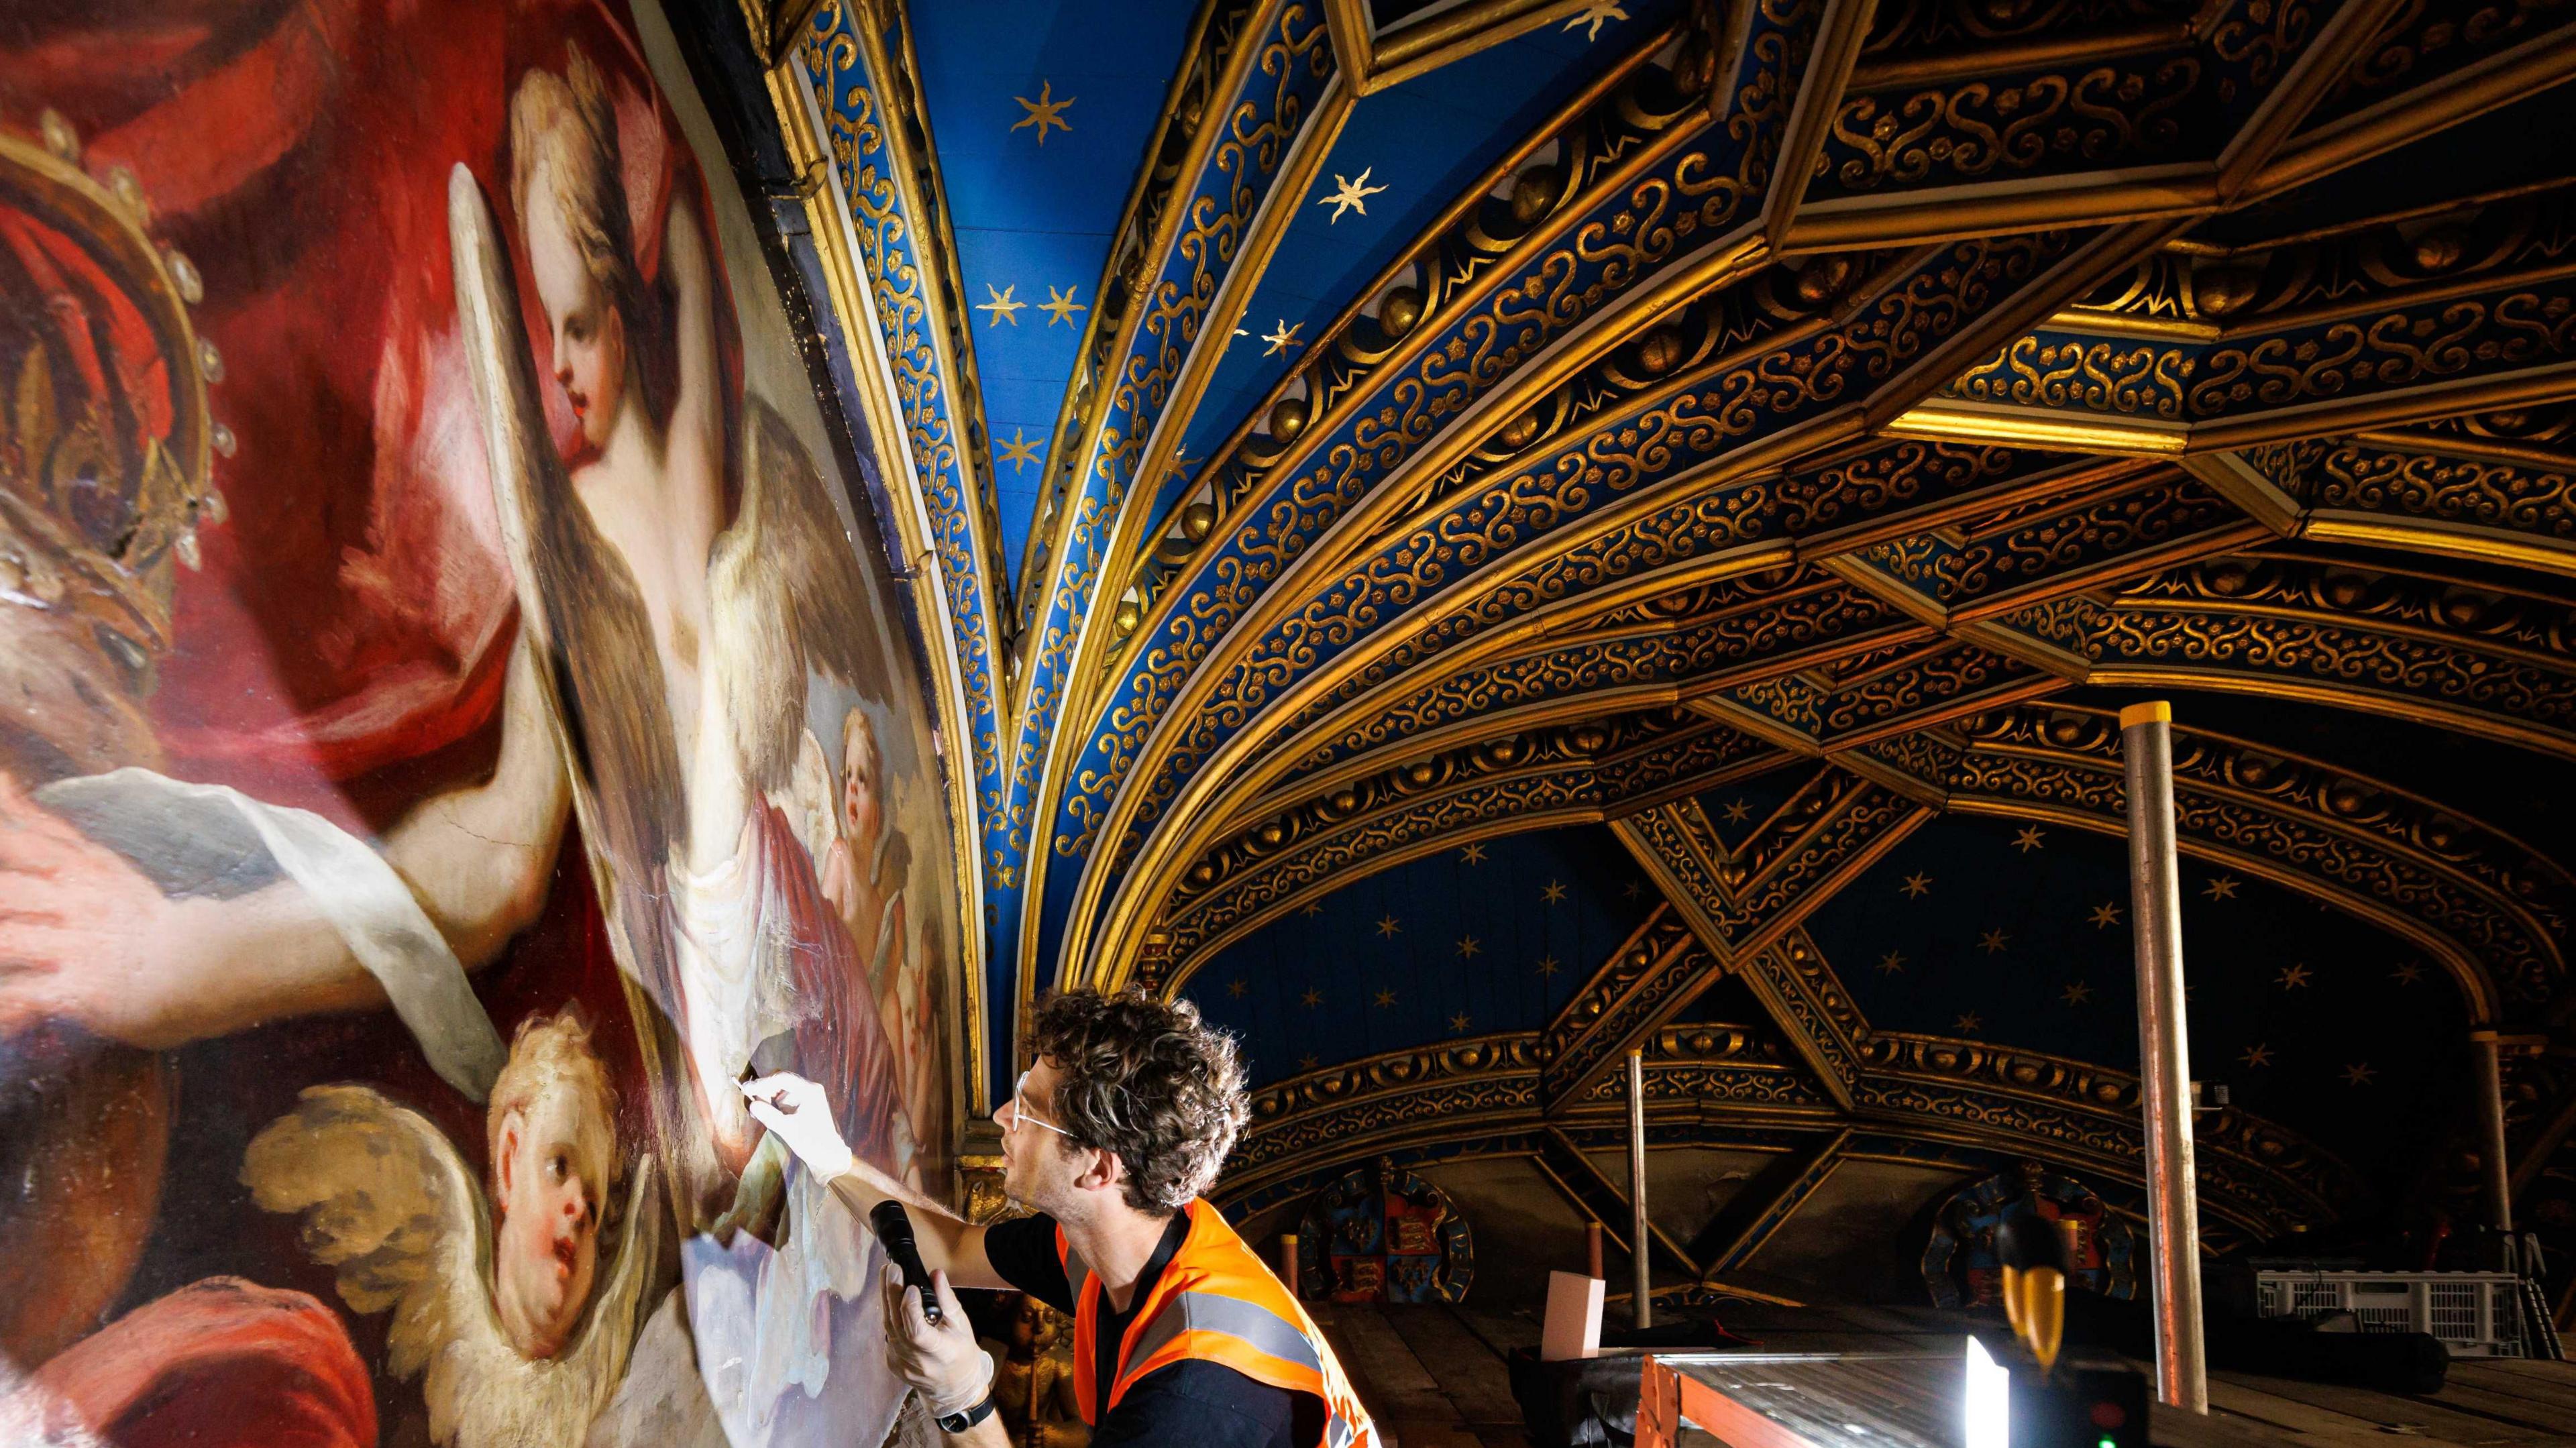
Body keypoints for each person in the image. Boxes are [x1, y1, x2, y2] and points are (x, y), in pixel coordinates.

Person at [744, 990, 1379, 1448]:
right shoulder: (1119, 1238)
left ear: (1099, 1169)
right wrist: (829, 1153)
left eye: (1027, 1107)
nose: (1000, 1116)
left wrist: (962, 1396)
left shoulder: (1195, 1392)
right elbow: (956, 1246)